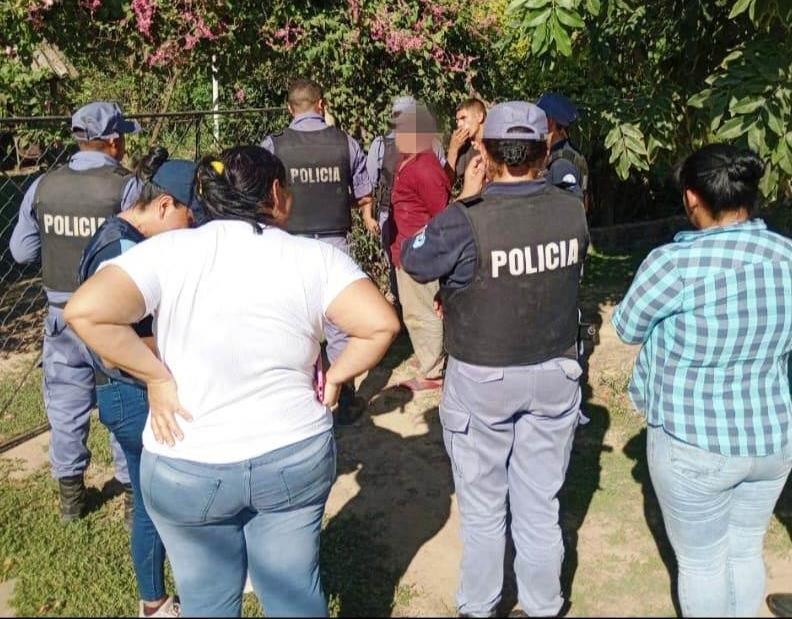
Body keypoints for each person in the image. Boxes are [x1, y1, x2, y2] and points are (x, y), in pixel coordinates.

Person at [64, 145, 400, 617]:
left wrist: (155, 377)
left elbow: (85, 311)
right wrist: (338, 376)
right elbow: (381, 324)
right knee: (294, 594)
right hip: (292, 454)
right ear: (276, 193)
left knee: (207, 601)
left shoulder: (167, 251)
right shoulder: (314, 257)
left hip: (186, 460)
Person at [401, 101, 589, 617]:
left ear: (483, 151)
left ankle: (481, 606)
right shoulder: (571, 209)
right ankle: (543, 604)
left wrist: (464, 197)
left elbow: (415, 258)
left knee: (484, 509)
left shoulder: (467, 218)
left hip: (483, 377)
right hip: (556, 373)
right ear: (544, 149)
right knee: (540, 504)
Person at [612, 144, 792, 617]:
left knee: (702, 563)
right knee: (746, 550)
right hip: (772, 438)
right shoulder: (787, 255)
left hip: (693, 442)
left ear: (692, 197)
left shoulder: (673, 263)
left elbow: (627, 327)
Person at [76, 149, 200, 618]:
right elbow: (116, 342)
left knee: (153, 501)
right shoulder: (124, 251)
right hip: (132, 393)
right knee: (166, 501)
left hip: (124, 391)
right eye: (190, 219)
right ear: (165, 205)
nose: (191, 232)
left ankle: (158, 600)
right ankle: (167, 598)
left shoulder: (119, 235)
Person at [9, 101, 142, 522]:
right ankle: (131, 493)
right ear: (114, 142)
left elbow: (21, 251)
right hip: (112, 315)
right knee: (122, 396)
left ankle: (71, 499)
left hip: (61, 316)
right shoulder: (127, 187)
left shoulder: (43, 185)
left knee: (66, 406)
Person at [260, 78, 373, 424]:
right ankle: (344, 398)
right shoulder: (345, 142)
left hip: (289, 243)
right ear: (321, 105)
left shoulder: (273, 146)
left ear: (290, 109)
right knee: (340, 322)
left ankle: (297, 394)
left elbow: (260, 194)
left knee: (291, 318)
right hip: (335, 243)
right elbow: (364, 194)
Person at [391, 102, 451, 391]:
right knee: (415, 312)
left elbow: (441, 216)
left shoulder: (425, 168)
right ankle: (429, 357)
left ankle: (433, 371)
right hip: (407, 252)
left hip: (420, 254)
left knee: (423, 312)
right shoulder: (410, 162)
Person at [366, 95, 446, 304]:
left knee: (410, 261)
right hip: (388, 213)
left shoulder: (429, 145)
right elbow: (371, 182)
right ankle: (401, 299)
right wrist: (369, 214)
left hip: (417, 217)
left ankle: (413, 300)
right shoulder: (380, 144)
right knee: (395, 260)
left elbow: (440, 179)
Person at [536, 92, 589, 207]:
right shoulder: (558, 154)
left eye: (539, 119)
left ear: (550, 122)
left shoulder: (562, 164)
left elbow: (569, 208)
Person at [445, 97, 487, 185]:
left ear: (480, 117)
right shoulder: (464, 147)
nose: (459, 124)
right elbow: (446, 184)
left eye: (463, 118)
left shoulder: (496, 142)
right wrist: (453, 150)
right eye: (457, 120)